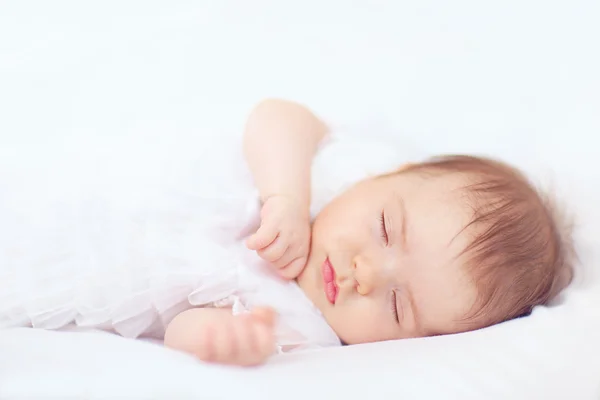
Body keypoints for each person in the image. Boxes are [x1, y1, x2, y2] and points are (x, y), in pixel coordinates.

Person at [163, 98, 575, 366]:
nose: (366, 275)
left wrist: (226, 340)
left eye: (397, 306)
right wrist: (286, 195)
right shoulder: (333, 176)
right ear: (388, 176)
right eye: (385, 229)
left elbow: (177, 327)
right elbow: (275, 115)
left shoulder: (306, 331)